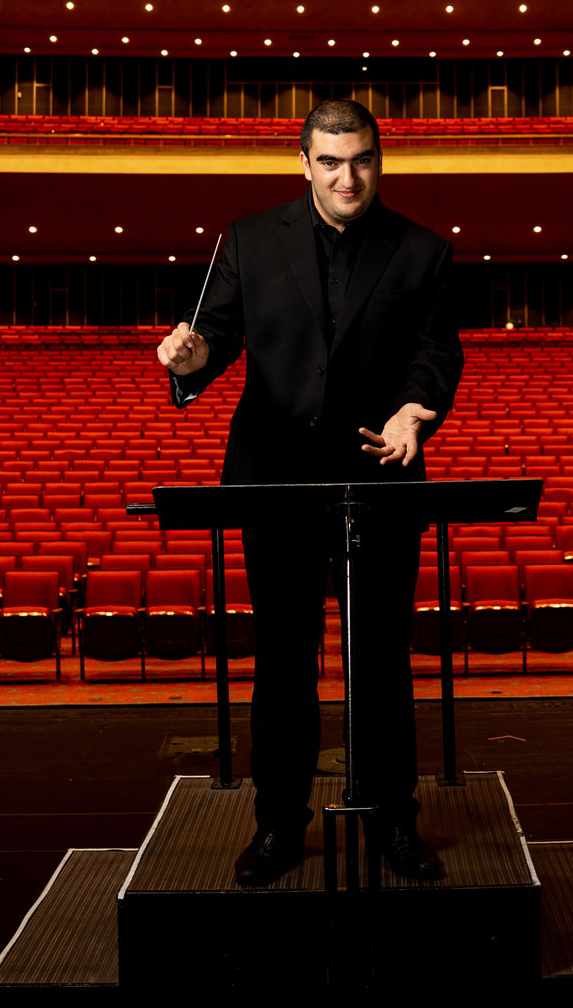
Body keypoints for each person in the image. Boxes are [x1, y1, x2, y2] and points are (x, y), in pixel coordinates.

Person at [155, 98, 464, 887]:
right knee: (283, 663)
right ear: (303, 163)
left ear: (379, 160)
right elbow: (214, 338)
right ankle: (276, 826)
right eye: (329, 162)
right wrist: (188, 360)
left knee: (381, 662)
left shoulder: (423, 249)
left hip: (380, 477)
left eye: (359, 159)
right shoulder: (250, 239)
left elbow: (434, 351)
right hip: (276, 481)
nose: (346, 176)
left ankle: (395, 821)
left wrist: (414, 409)